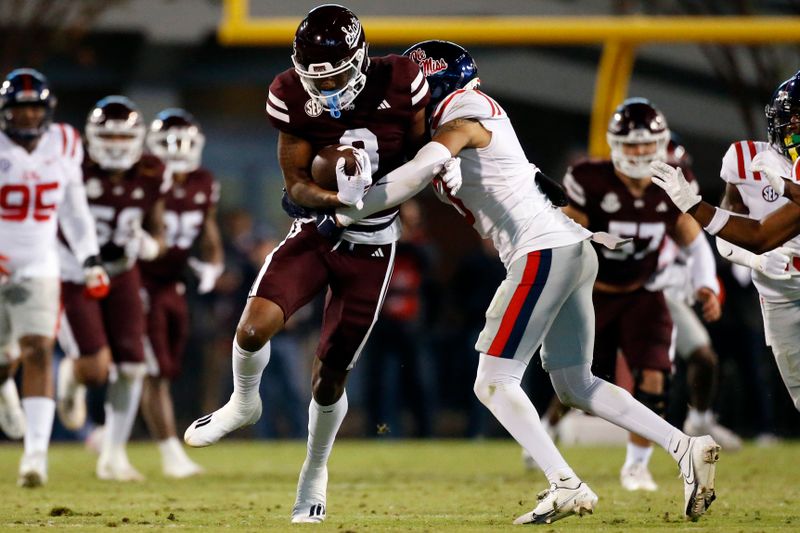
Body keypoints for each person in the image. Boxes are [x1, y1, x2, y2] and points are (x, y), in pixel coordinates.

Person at [334, 41, 720, 523]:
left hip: (542, 252)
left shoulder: (461, 114)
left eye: (415, 87)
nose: (406, 96)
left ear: (434, 85)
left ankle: (565, 483)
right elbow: (534, 177)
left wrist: (343, 212)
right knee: (575, 383)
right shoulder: (471, 114)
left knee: (493, 381)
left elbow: (423, 168)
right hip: (570, 246)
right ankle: (686, 447)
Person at [184, 5, 431, 524]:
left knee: (329, 378)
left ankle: (313, 473)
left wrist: (372, 200)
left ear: (360, 60)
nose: (328, 88)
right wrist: (331, 200)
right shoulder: (292, 93)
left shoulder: (400, 80)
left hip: (375, 246)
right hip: (317, 233)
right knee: (252, 329)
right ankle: (243, 402)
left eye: (339, 74)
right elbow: (295, 184)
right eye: (317, 77)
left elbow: (422, 161)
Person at [537, 115, 723, 493]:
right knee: (578, 381)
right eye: (631, 144)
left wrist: (706, 285)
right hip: (592, 290)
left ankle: (636, 467)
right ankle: (549, 425)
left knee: (655, 375)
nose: (639, 152)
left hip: (644, 291)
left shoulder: (671, 181)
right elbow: (565, 231)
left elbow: (692, 238)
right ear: (615, 145)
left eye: (645, 143)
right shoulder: (590, 178)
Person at [650, 69, 800, 413]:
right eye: (792, 119)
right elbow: (728, 238)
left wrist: (786, 188)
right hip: (777, 291)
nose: (795, 128)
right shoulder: (745, 160)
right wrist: (755, 262)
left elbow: (762, 236)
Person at [0, 68, 107, 487]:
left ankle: (35, 457)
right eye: (19, 109)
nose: (27, 117)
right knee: (5, 361)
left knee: (39, 350)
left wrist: (89, 257)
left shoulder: (64, 142)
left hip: (41, 264)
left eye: (33, 108)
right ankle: (5, 386)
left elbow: (73, 206)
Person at [56, 95, 167, 481]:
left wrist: (151, 244)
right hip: (74, 271)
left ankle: (113, 455)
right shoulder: (75, 169)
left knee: (134, 365)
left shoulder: (152, 171)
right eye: (109, 138)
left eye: (124, 139)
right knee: (95, 371)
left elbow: (158, 227)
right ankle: (73, 374)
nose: (117, 146)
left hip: (122, 271)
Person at [137, 108, 223, 478]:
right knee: (151, 370)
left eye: (184, 144)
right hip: (139, 281)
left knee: (166, 367)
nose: (177, 152)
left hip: (174, 283)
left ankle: (108, 433)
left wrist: (214, 264)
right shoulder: (145, 177)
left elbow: (208, 229)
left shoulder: (205, 181)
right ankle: (171, 452)